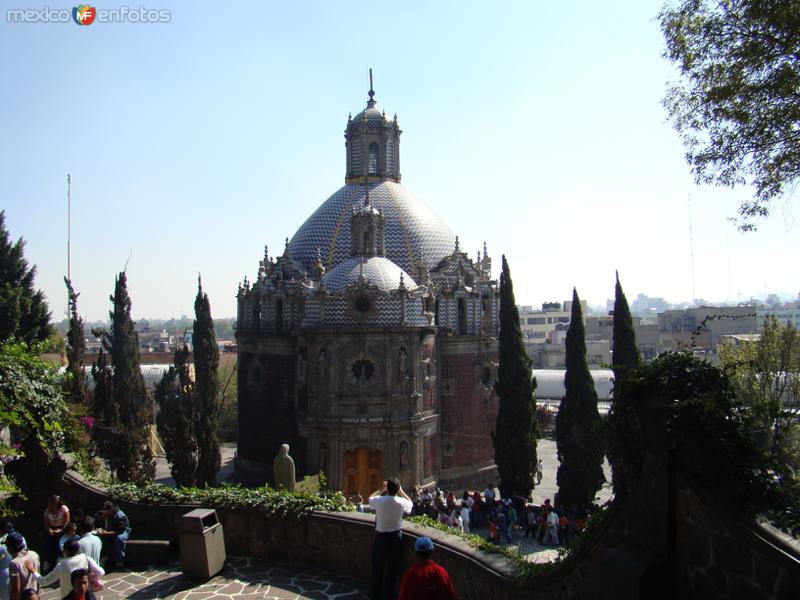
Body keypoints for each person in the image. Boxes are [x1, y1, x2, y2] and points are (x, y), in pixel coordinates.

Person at [368, 478, 413, 600]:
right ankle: (389, 594)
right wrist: (402, 492)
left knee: (378, 565)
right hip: (395, 537)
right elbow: (411, 503)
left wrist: (379, 490)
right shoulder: (401, 502)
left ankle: (375, 592)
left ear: (387, 488)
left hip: (381, 536)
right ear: (397, 489)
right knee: (392, 567)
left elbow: (370, 499)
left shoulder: (380, 500)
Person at [31, 540, 103, 599]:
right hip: (85, 596)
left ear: (65, 551)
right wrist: (91, 576)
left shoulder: (62, 565)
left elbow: (44, 581)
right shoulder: (86, 558)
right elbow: (100, 572)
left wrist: (33, 571)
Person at [96, 501, 130, 569]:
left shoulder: (120, 516)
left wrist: (106, 533)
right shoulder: (102, 514)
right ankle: (102, 558)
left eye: (108, 512)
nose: (106, 513)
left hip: (122, 531)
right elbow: (96, 522)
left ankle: (119, 562)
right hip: (108, 530)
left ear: (112, 510)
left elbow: (120, 531)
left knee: (119, 539)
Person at [6, 532, 39, 600]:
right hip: (35, 595)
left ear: (10, 548)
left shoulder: (14, 563)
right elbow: (38, 576)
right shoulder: (34, 555)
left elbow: (16, 589)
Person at [42, 496, 70, 571]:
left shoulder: (64, 509)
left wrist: (61, 530)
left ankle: (59, 562)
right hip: (51, 528)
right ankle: (46, 562)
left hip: (61, 528)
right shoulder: (47, 511)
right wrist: (49, 529)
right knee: (48, 544)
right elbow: (46, 523)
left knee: (59, 545)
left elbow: (67, 520)